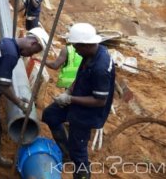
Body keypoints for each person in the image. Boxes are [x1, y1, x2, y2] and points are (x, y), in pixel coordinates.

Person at [0, 28, 49, 179]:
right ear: (32, 43)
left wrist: (18, 98)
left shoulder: (8, 43)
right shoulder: (11, 54)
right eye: (34, 51)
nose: (31, 55)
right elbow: (3, 85)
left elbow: (4, 79)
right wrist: (19, 103)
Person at [42, 23, 115, 179]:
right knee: (50, 115)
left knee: (79, 152)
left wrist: (70, 98)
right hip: (77, 99)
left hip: (88, 113)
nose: (74, 49)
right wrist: (69, 90)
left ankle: (81, 173)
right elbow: (81, 76)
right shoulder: (90, 54)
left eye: (77, 46)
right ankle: (66, 152)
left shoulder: (100, 67)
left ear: (87, 45)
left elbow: (100, 100)